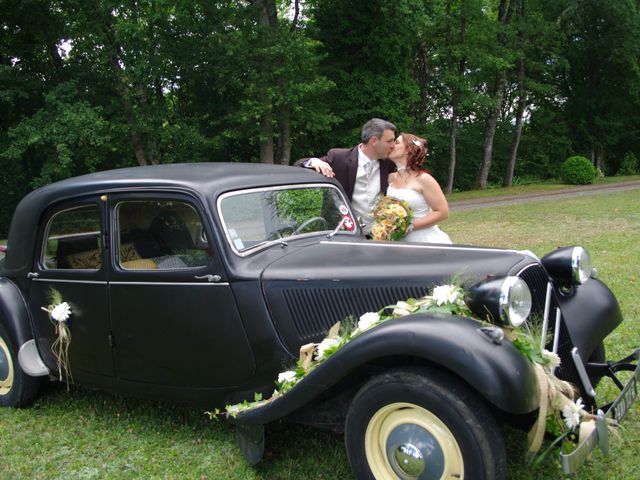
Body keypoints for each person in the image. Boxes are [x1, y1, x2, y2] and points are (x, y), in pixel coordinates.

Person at [295, 118, 397, 235]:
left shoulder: (388, 163)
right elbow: (298, 165)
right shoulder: (339, 158)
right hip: (343, 234)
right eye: (389, 141)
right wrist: (313, 161)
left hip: (378, 235)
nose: (393, 146)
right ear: (374, 141)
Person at [386, 133, 452, 243]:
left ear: (408, 150)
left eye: (397, 143)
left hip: (424, 241)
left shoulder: (424, 179)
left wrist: (409, 227)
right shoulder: (389, 178)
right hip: (398, 243)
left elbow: (442, 212)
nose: (392, 145)